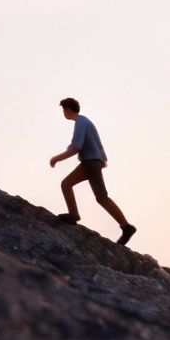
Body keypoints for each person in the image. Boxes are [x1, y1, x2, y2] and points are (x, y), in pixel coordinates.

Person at [50, 97, 136, 245]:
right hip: (91, 162)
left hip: (90, 163)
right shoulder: (85, 121)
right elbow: (97, 143)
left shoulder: (81, 122)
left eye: (63, 110)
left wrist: (56, 158)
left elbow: (76, 146)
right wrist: (102, 159)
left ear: (68, 109)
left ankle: (126, 227)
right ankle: (74, 214)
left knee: (101, 197)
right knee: (67, 184)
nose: (63, 113)